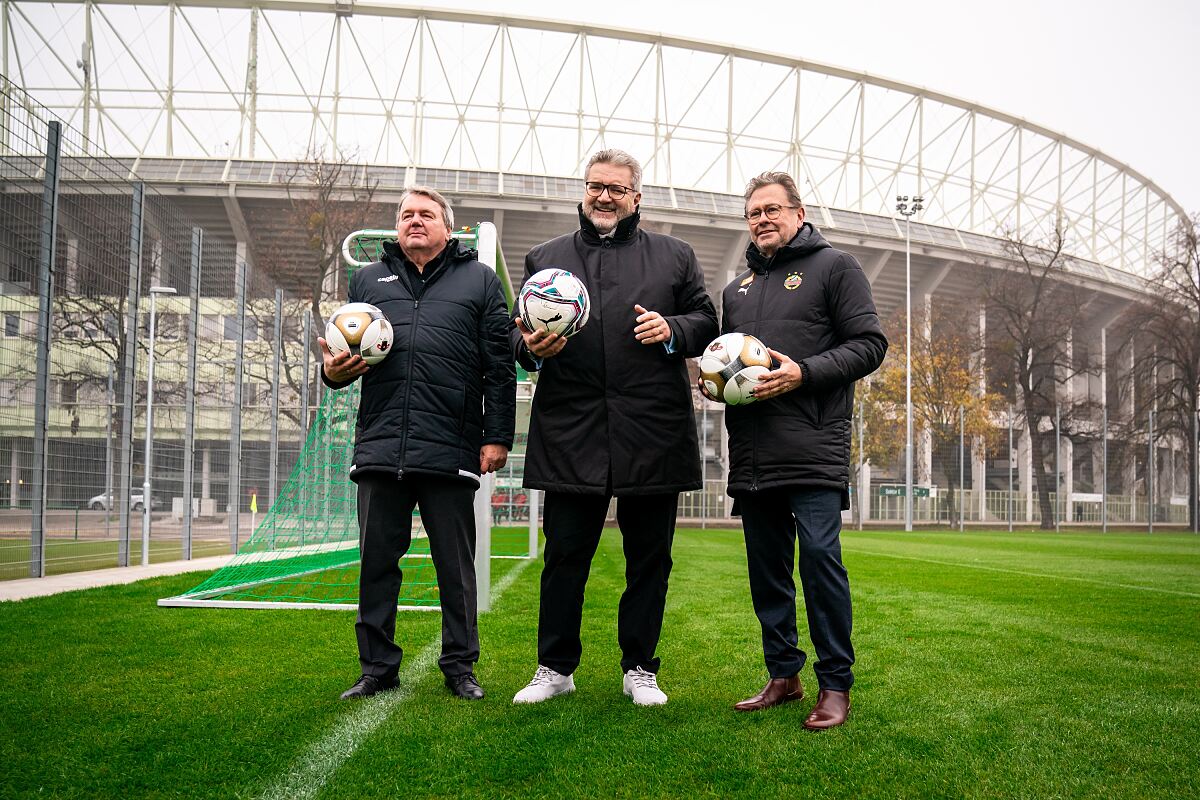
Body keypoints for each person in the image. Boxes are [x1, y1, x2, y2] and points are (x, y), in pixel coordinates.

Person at [510, 149, 718, 706]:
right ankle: (555, 667)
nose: (604, 196)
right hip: (570, 429)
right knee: (564, 556)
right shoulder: (545, 258)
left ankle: (640, 669)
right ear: (584, 190)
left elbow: (706, 322)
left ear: (636, 197)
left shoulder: (675, 257)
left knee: (649, 558)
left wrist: (671, 328)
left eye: (617, 189)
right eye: (596, 186)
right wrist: (529, 347)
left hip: (652, 428)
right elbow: (515, 334)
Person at [320, 187, 516, 701]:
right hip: (382, 446)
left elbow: (499, 366)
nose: (414, 221)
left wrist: (497, 435)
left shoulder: (480, 280)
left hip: (450, 446)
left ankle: (460, 668)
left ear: (448, 228)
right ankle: (377, 668)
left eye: (426, 214)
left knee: (456, 568)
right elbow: (346, 359)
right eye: (406, 215)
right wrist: (330, 370)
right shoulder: (367, 279)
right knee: (376, 566)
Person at [710, 171, 886, 729]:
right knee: (767, 571)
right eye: (753, 212)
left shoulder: (836, 266)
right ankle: (783, 674)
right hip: (754, 453)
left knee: (819, 561)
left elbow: (869, 344)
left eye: (772, 209)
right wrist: (712, 380)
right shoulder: (735, 289)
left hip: (813, 444)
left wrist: (803, 373)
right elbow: (729, 360)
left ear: (798, 212)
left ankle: (835, 685)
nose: (762, 219)